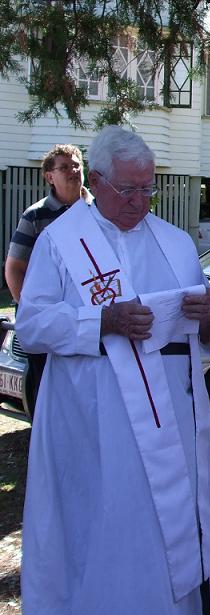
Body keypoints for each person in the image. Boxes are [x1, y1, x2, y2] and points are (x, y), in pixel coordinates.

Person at [16, 126, 210, 615]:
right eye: (129, 189)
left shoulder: (175, 242)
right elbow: (31, 326)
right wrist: (103, 320)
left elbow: (206, 324)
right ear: (95, 181)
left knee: (172, 526)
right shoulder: (61, 241)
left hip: (174, 417)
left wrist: (208, 316)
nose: (141, 201)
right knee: (108, 521)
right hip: (94, 418)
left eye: (148, 188)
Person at [5, 144, 92, 414]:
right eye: (64, 167)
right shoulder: (35, 216)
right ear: (49, 176)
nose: (73, 171)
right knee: (45, 382)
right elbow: (15, 267)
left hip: (90, 316)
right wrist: (32, 310)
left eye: (77, 165)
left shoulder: (99, 212)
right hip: (50, 318)